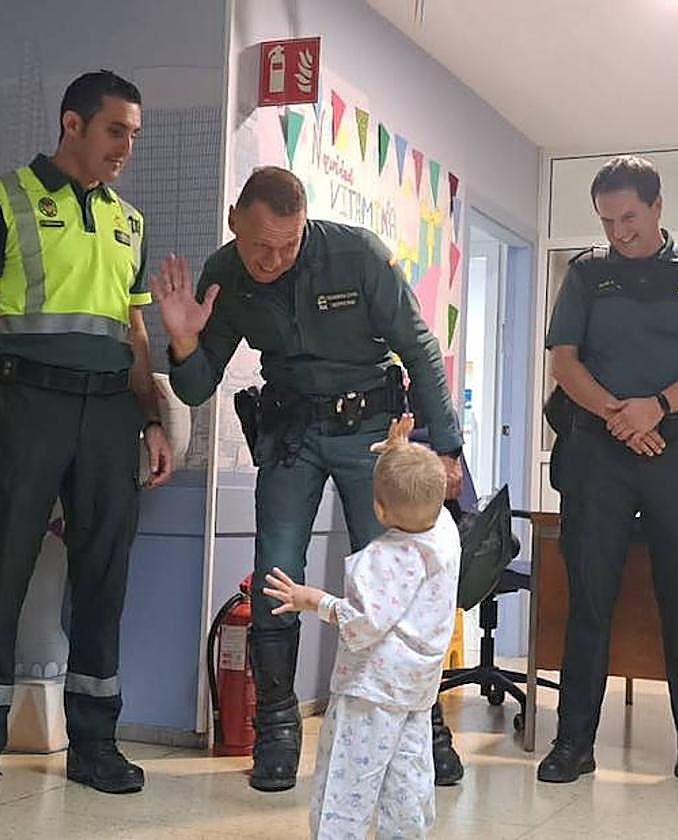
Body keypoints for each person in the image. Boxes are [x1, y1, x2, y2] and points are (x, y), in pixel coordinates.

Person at [152, 166, 465, 791]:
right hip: (292, 433)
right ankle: (276, 733)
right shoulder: (225, 273)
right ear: (236, 219)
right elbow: (194, 388)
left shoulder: (355, 254)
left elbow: (420, 345)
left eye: (288, 246)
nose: (273, 260)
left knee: (394, 580)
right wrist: (184, 343)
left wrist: (445, 449)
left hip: (372, 431)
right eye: (261, 245)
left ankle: (423, 728)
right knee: (275, 574)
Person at [0, 69, 174, 814]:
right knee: (1, 576)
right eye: (114, 130)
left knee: (104, 582)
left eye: (133, 133)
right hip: (25, 405)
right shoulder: (0, 201)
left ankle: (95, 745)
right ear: (73, 124)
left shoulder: (130, 221)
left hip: (109, 419)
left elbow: (135, 336)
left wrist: (154, 416)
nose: (126, 146)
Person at [540, 155, 678, 793]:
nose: (618, 232)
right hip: (598, 451)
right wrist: (616, 415)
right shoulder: (587, 275)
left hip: (677, 452)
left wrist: (656, 408)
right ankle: (573, 745)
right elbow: (565, 362)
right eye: (606, 221)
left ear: (656, 207)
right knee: (589, 597)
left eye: (628, 217)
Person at [264, 413, 459, 839]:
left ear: (379, 509)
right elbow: (419, 491)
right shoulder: (443, 533)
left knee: (348, 779)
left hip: (372, 687)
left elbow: (363, 623)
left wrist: (311, 599)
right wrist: (399, 452)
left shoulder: (388, 557)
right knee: (407, 774)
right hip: (417, 685)